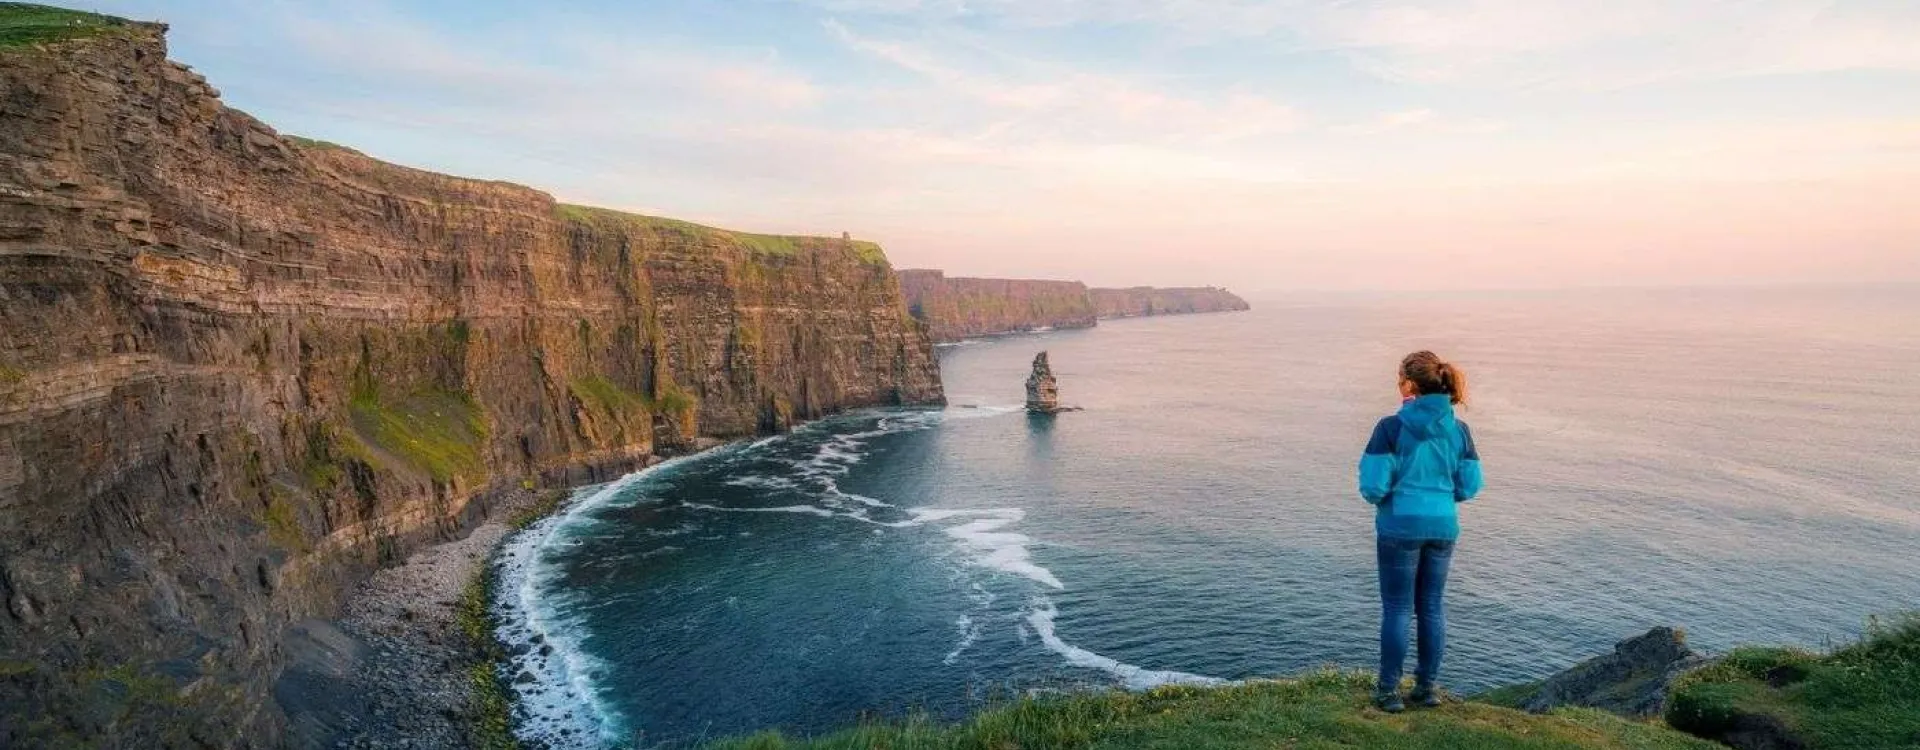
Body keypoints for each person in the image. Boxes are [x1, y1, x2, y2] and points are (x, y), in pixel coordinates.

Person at [1358, 351, 1483, 712]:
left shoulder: (1390, 428)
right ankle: (1426, 689)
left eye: (1399, 378)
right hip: (1443, 526)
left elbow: (1373, 487)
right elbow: (1470, 485)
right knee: (1431, 606)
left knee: (1397, 609)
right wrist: (1443, 497)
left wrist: (1392, 497)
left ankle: (1388, 691)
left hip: (1399, 525)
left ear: (1409, 385)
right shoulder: (1459, 429)